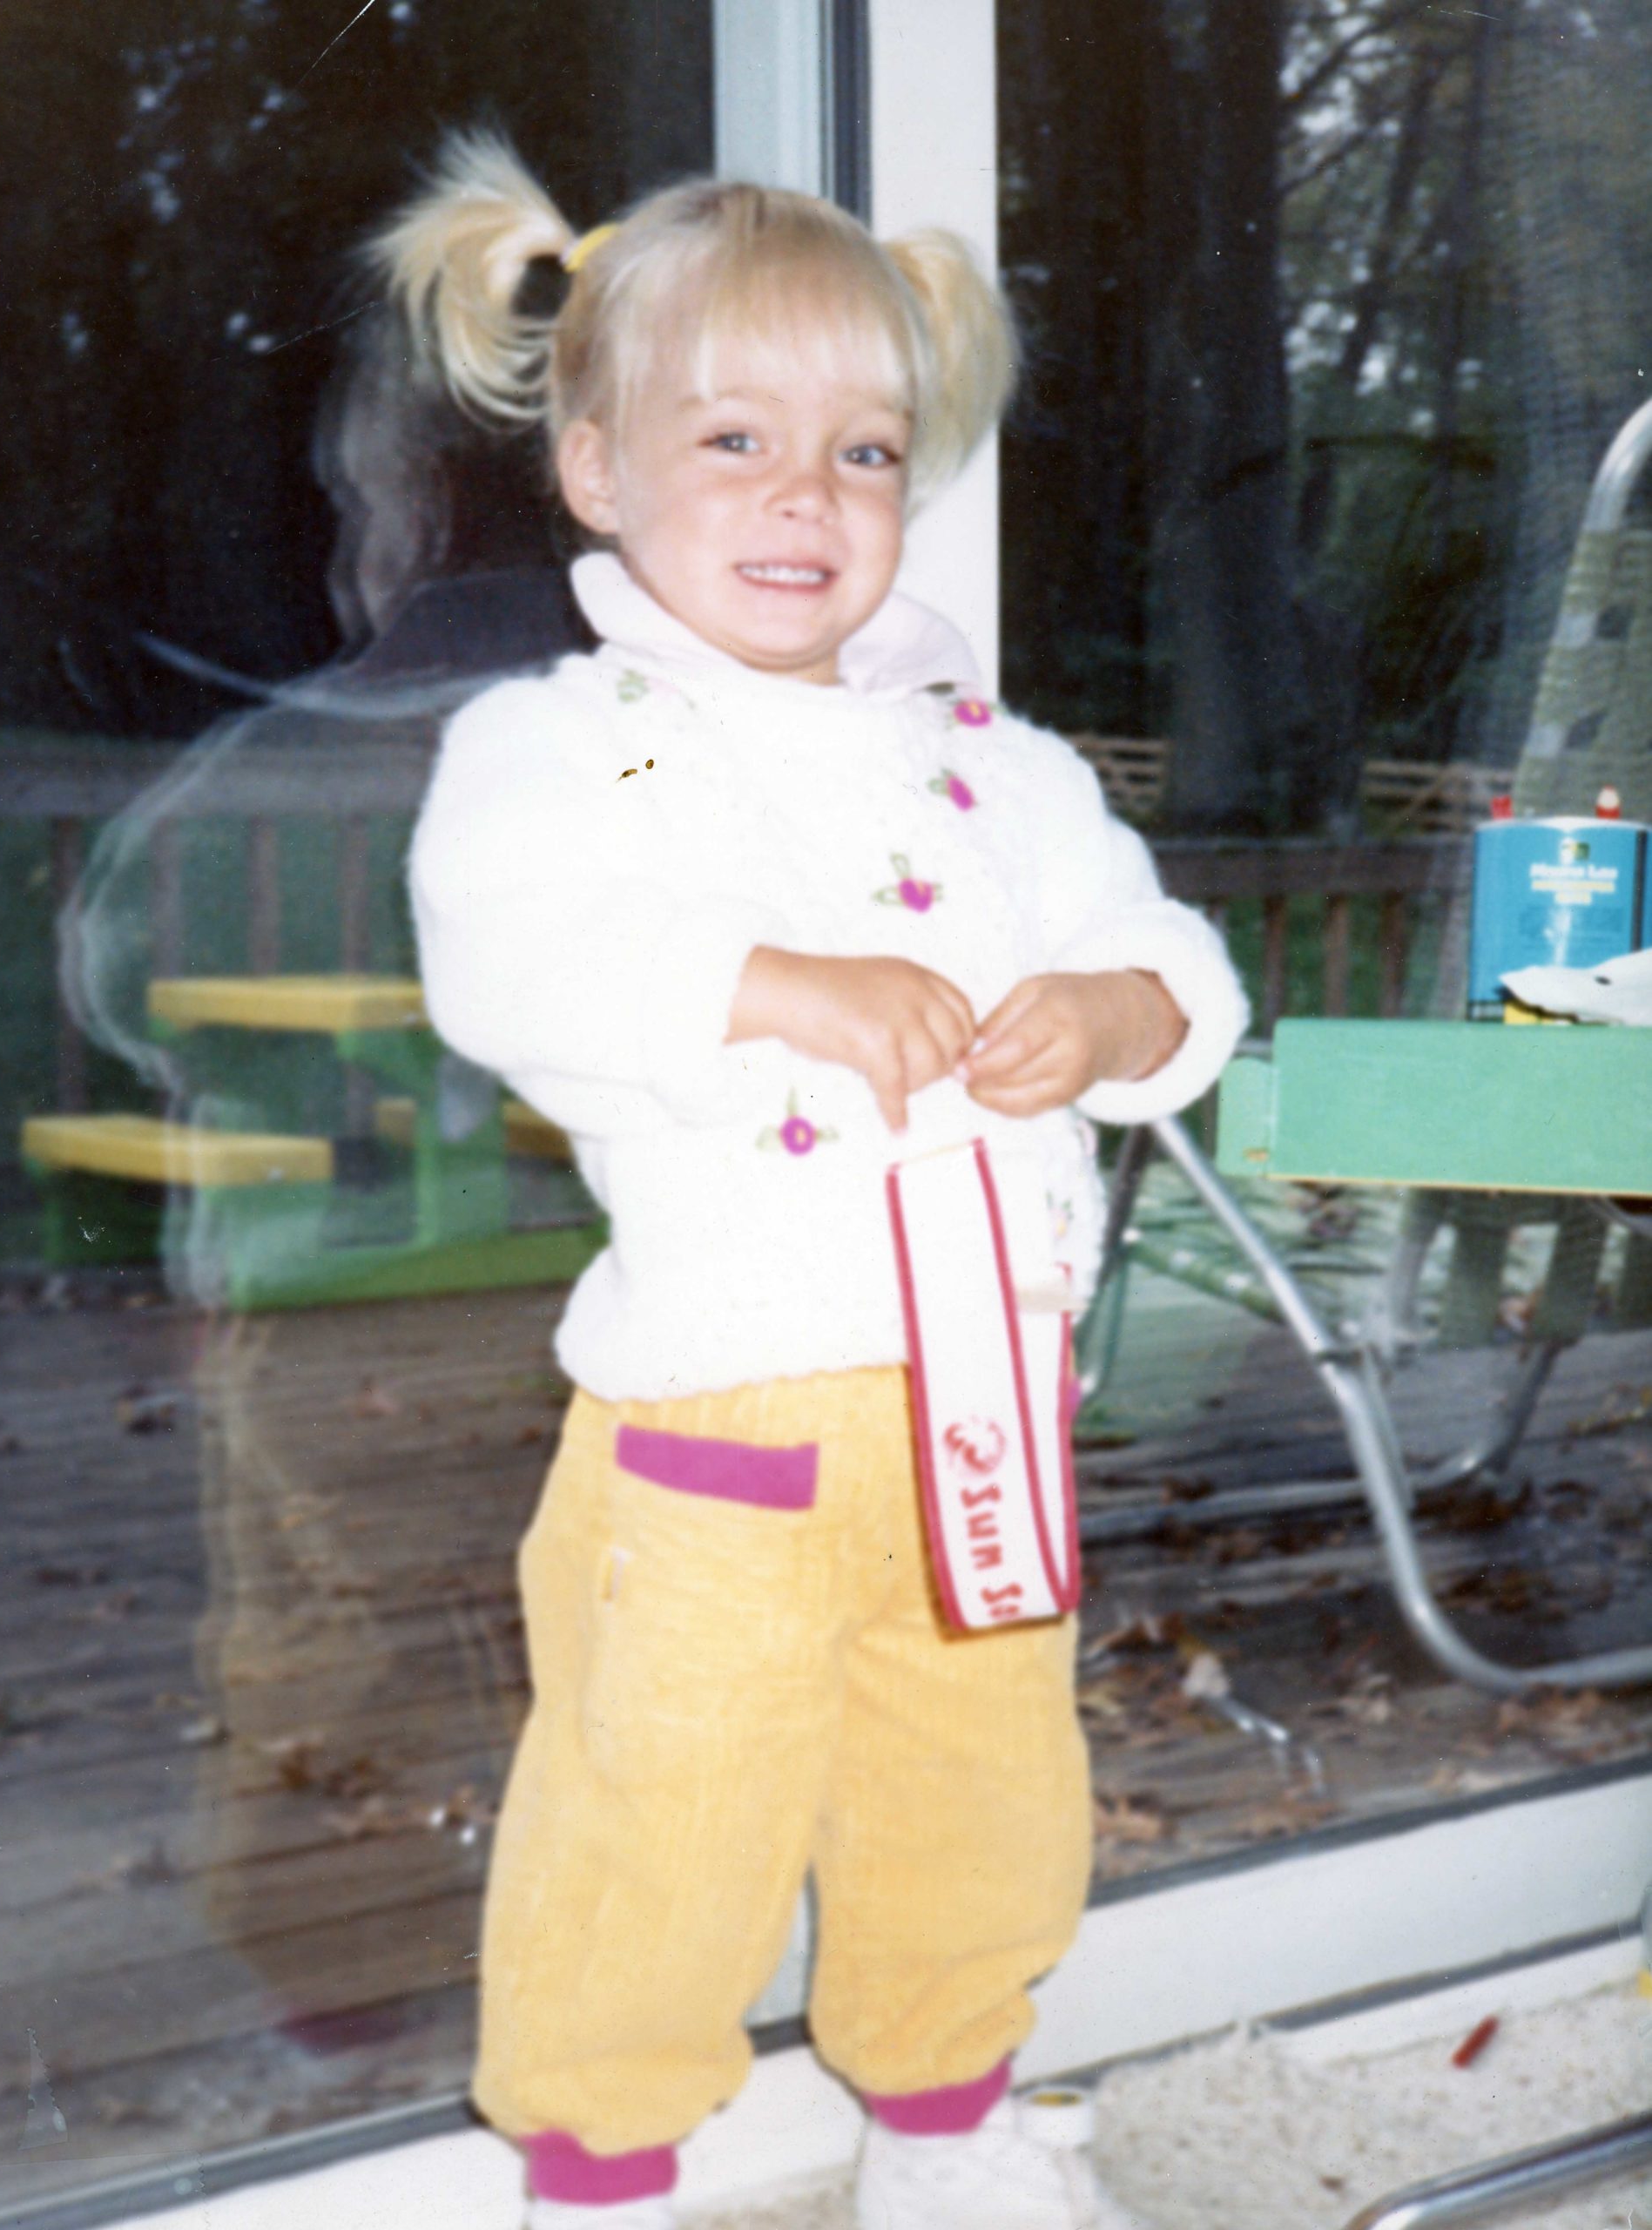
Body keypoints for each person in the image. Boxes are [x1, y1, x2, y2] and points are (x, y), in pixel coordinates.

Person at [394, 134, 1250, 2230]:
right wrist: (774, 981)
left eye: (861, 452)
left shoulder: (994, 765)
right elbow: (524, 937)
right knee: (657, 1810)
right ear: (595, 470)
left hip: (983, 1407)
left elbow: (1167, 951)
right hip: (723, 1426)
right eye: (736, 440)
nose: (805, 496)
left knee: (976, 1789)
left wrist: (1115, 1013)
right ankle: (598, 2171)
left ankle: (943, 2129)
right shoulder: (594, 736)